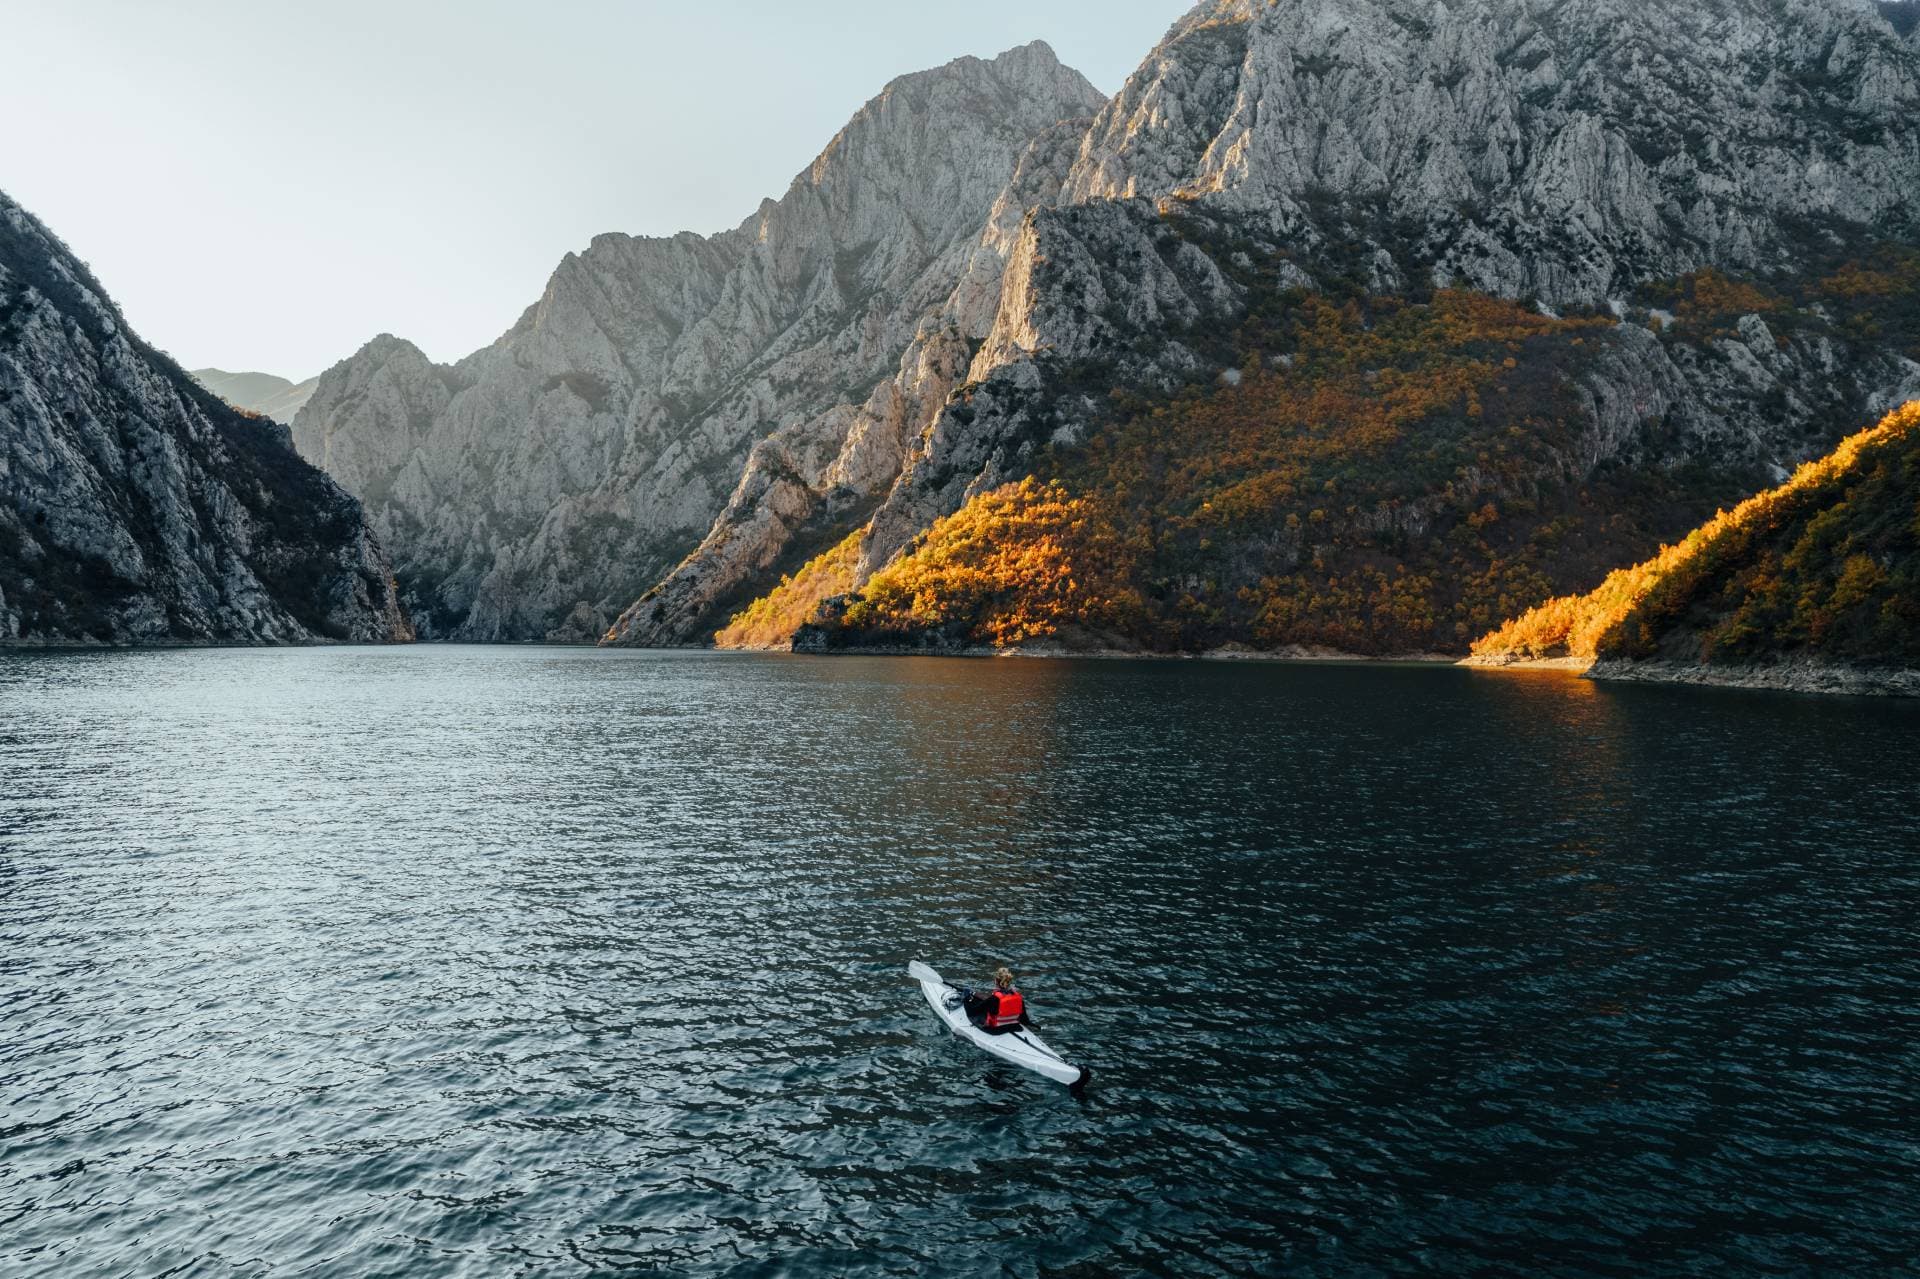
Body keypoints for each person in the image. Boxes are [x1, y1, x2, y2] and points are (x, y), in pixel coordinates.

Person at [959, 967, 1030, 1035]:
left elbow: (971, 1012)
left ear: (996, 981)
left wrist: (966, 998)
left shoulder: (994, 999)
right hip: (1015, 1026)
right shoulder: (1018, 997)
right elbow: (1024, 1020)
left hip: (996, 1029)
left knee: (975, 1007)